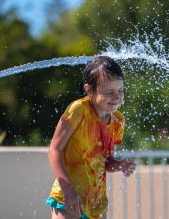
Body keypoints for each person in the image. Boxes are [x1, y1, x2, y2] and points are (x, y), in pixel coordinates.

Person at [46, 56, 136, 219]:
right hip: (68, 201)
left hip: (95, 206)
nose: (117, 97)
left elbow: (105, 162)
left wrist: (119, 165)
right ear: (89, 90)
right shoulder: (79, 110)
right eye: (109, 92)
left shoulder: (118, 121)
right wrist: (68, 191)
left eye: (120, 90)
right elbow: (54, 150)